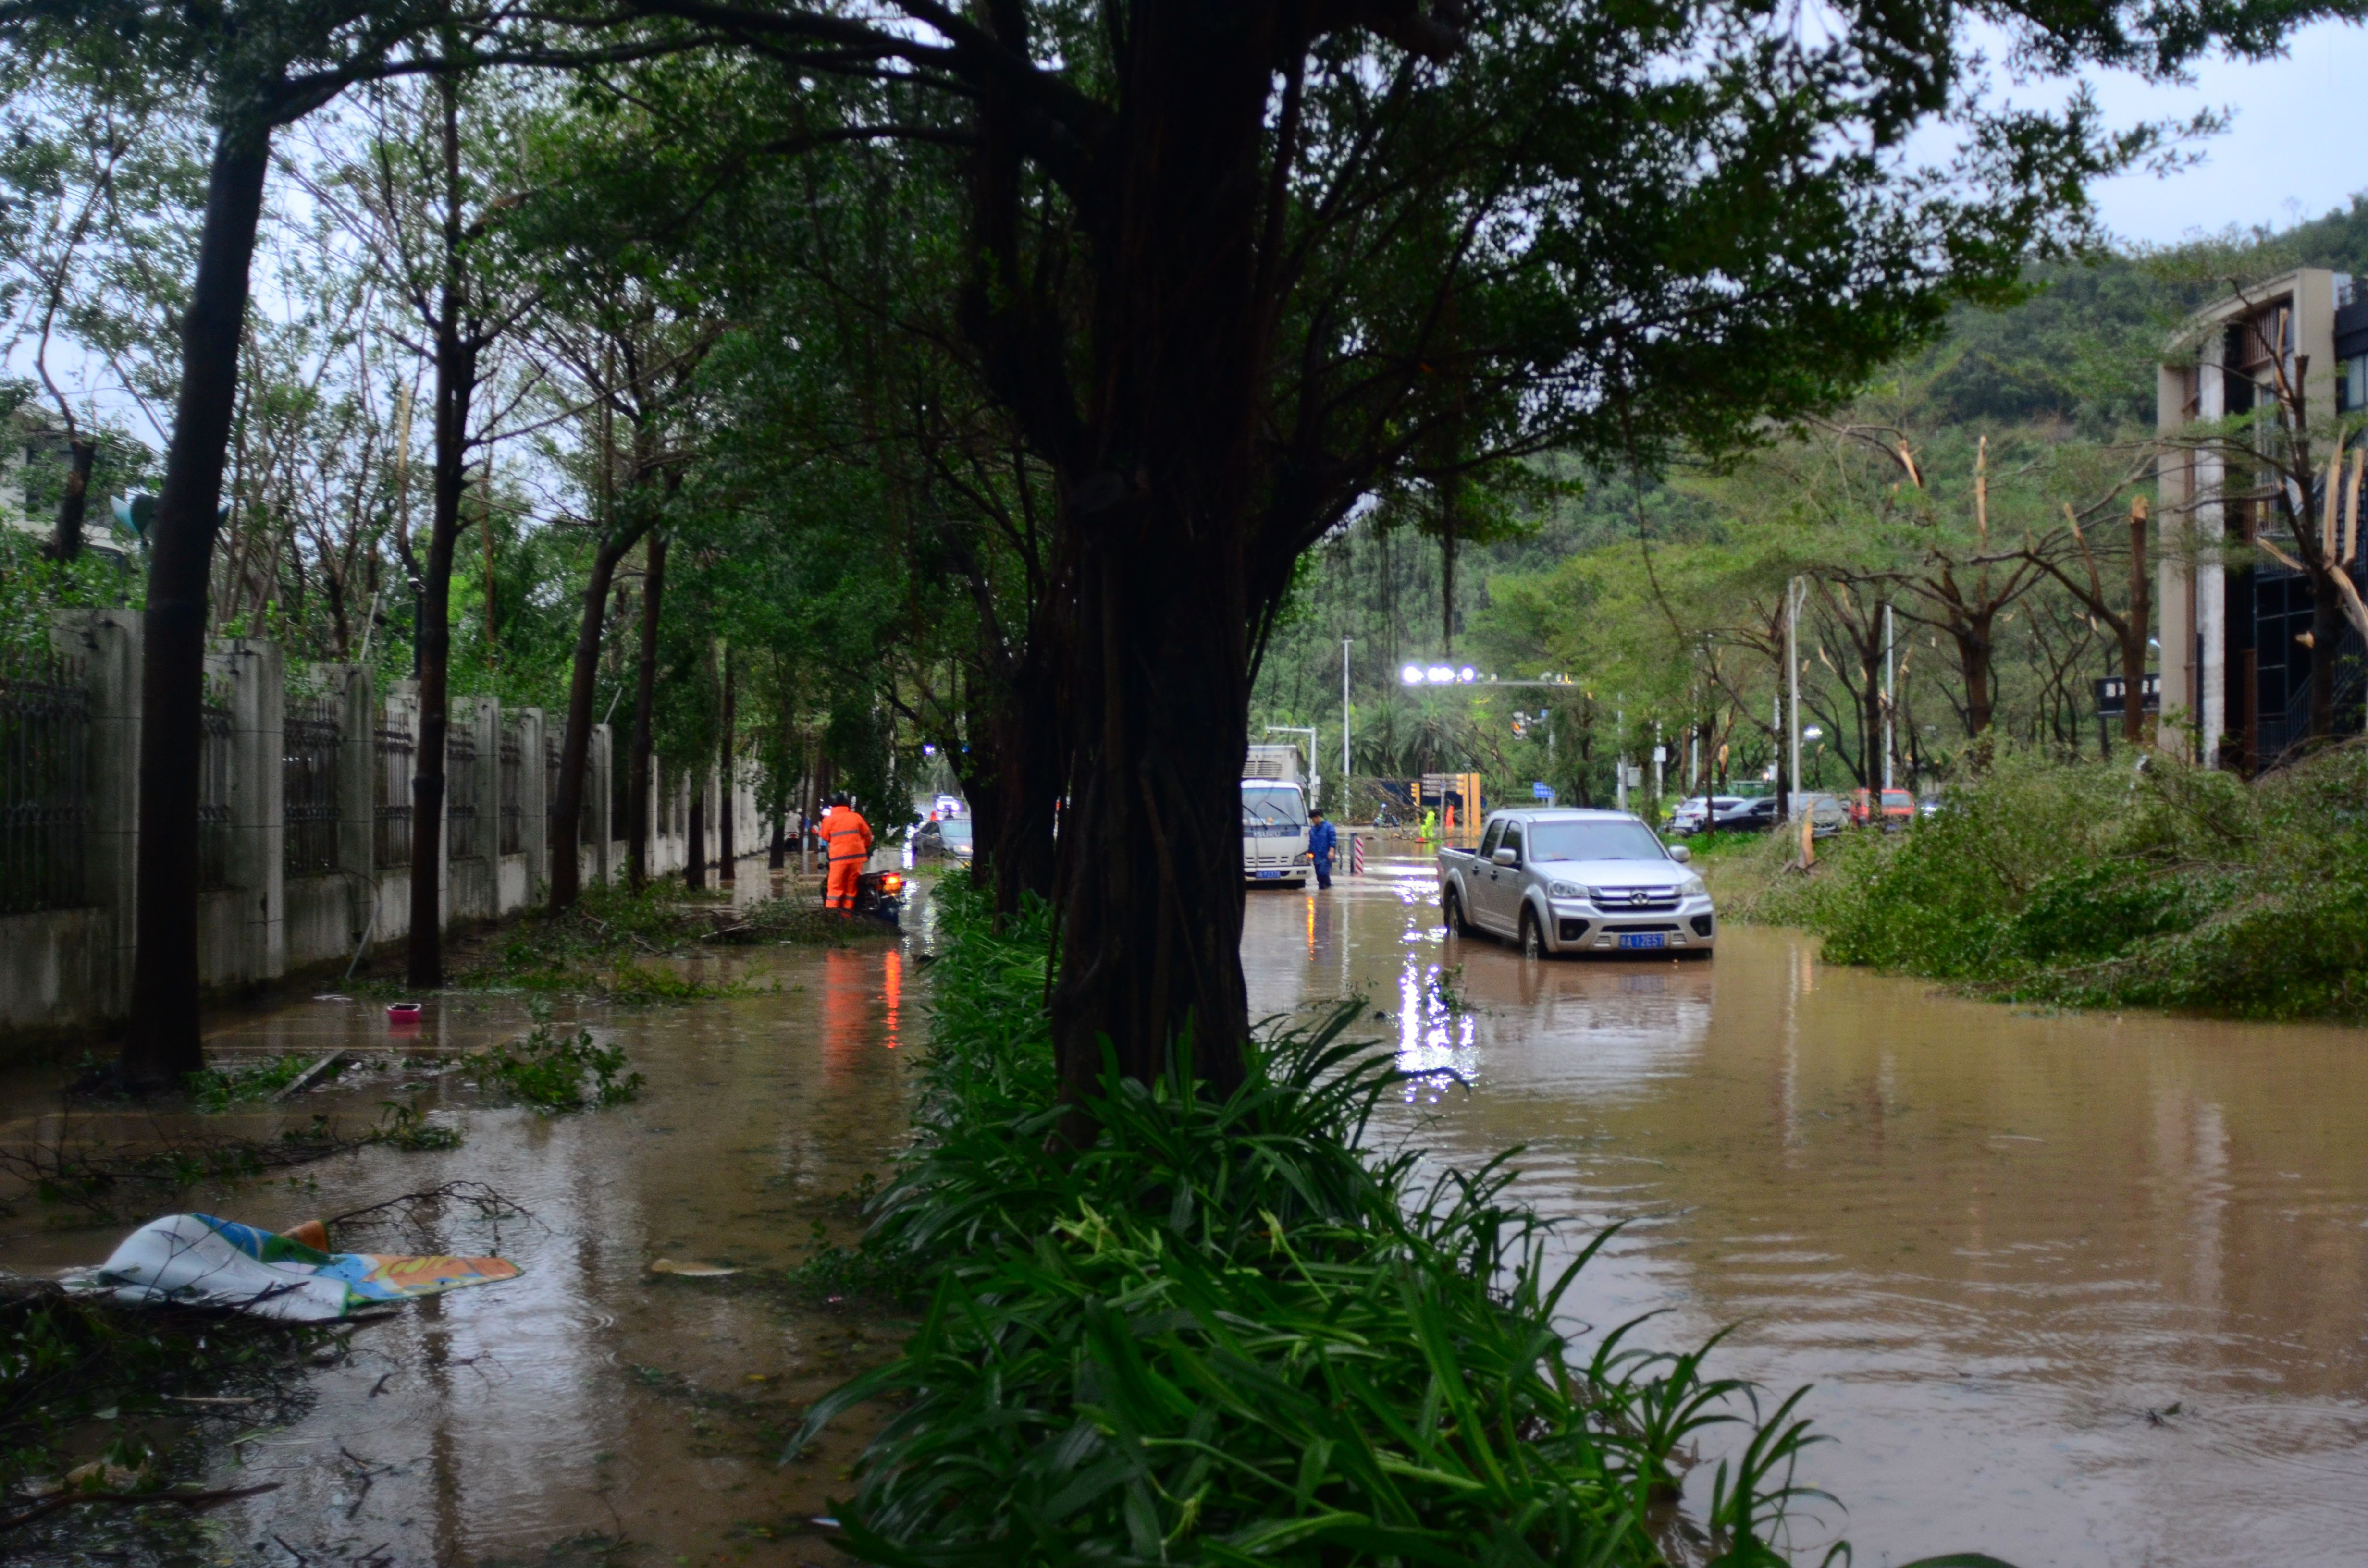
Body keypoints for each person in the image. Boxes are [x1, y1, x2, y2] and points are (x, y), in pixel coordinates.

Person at [819, 792, 873, 913]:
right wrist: (864, 846)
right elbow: (868, 836)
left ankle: (832, 917)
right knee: (851, 889)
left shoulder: (828, 820)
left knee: (835, 890)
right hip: (857, 859)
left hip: (839, 859)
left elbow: (825, 837)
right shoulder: (856, 817)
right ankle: (847, 916)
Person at [1307, 808, 1337, 890]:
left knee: (1323, 873)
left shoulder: (1329, 827)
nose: (1313, 822)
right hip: (1316, 857)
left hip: (1326, 856)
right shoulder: (1313, 830)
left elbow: (1333, 839)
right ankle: (1324, 896)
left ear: (1317, 817)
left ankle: (1329, 887)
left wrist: (1332, 850)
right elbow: (1311, 843)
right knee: (1319, 878)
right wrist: (1309, 853)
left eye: (1313, 820)